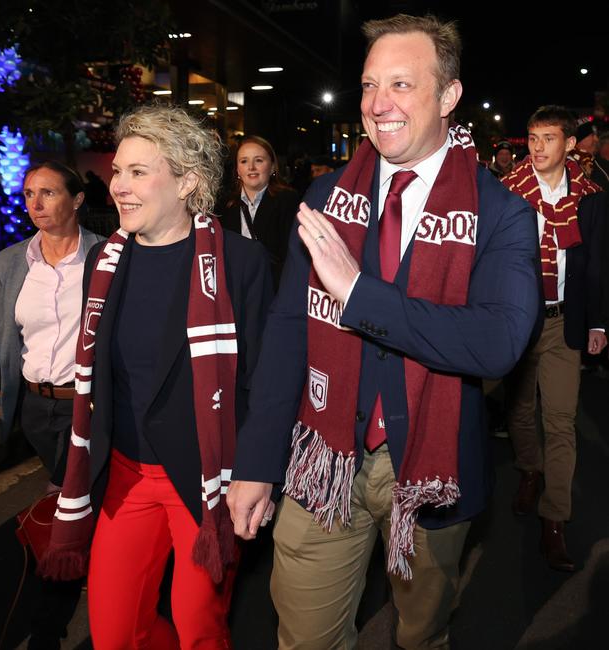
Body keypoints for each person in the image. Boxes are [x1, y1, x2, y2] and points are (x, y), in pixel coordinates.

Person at [227, 13, 540, 650]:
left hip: (429, 463)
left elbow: (497, 342)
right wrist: (256, 461)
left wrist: (359, 294)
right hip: (323, 457)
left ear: (449, 96)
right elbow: (288, 333)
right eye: (370, 85)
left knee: (421, 635)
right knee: (304, 636)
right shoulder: (324, 193)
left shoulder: (501, 212)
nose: (377, 105)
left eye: (401, 84)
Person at [40, 105, 272, 649]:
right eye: (118, 171)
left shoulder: (241, 262)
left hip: (205, 480)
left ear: (187, 181)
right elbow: (98, 381)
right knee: (116, 633)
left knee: (199, 632)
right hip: (124, 475)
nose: (118, 185)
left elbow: (263, 381)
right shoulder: (107, 263)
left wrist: (258, 473)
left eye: (138, 172)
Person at [0, 160, 104, 649]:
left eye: (47, 193)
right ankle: (96, 574)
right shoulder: (9, 262)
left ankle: (49, 626)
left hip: (90, 410)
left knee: (67, 508)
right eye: (27, 195)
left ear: (77, 199)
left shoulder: (107, 257)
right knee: (80, 510)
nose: (35, 205)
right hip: (37, 412)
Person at [502, 106, 607, 571]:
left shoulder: (590, 197)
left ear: (569, 144)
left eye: (548, 137)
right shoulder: (506, 193)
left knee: (561, 421)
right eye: (532, 137)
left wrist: (599, 324)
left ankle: (555, 519)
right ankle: (529, 469)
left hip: (565, 323)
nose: (538, 146)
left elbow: (599, 264)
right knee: (521, 410)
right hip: (519, 322)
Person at [221, 135, 298, 289]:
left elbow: (291, 257)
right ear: (237, 169)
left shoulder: (288, 201)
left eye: (259, 160)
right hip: (234, 291)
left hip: (272, 289)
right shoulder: (224, 205)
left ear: (272, 167)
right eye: (244, 161)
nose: (251, 167)